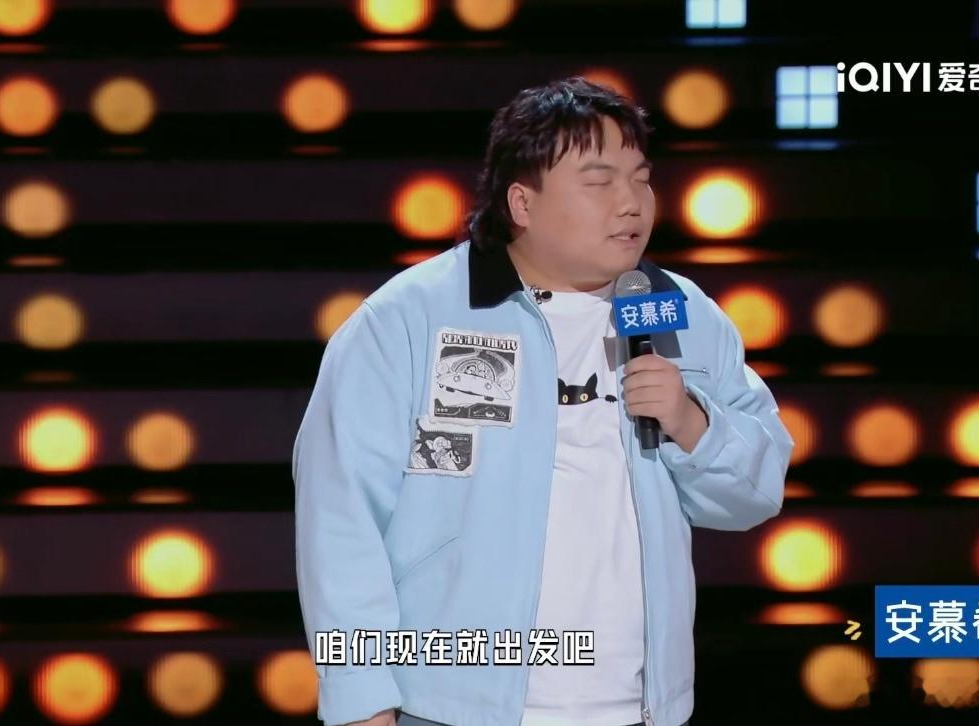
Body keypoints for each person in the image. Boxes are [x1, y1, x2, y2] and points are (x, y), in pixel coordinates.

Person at [293, 76, 793, 726]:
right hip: (447, 707)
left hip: (639, 709)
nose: (632, 203)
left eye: (641, 179)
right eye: (599, 181)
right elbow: (340, 518)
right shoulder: (410, 318)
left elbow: (756, 492)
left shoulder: (680, 311)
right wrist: (362, 702)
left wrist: (691, 422)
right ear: (522, 202)